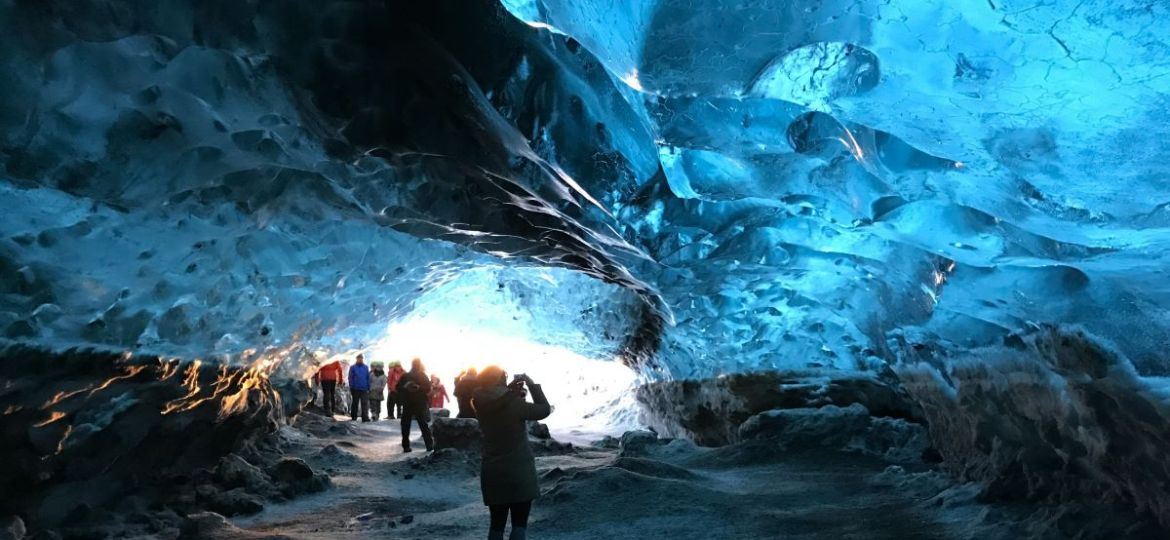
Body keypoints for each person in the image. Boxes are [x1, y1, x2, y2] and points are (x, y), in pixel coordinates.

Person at [473, 367, 550, 540]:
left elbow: (497, 402)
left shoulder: (478, 401)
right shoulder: (515, 404)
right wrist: (531, 384)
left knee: (497, 525)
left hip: (492, 472)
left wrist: (509, 390)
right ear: (501, 379)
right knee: (519, 525)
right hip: (519, 471)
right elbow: (544, 409)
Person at [395, 358, 434, 452]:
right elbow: (428, 388)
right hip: (419, 403)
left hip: (407, 403)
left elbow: (397, 388)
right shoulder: (423, 375)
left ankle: (406, 446)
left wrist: (406, 387)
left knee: (405, 425)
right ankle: (429, 445)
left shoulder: (405, 376)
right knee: (423, 424)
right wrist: (419, 388)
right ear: (419, 364)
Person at [348, 354, 371, 422]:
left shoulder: (366, 367)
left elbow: (367, 377)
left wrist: (368, 386)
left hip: (364, 388)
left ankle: (365, 417)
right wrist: (351, 386)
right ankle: (354, 416)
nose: (360, 359)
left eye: (361, 358)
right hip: (356, 388)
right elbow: (350, 377)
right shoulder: (353, 367)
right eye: (359, 358)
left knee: (364, 403)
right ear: (356, 359)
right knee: (355, 403)